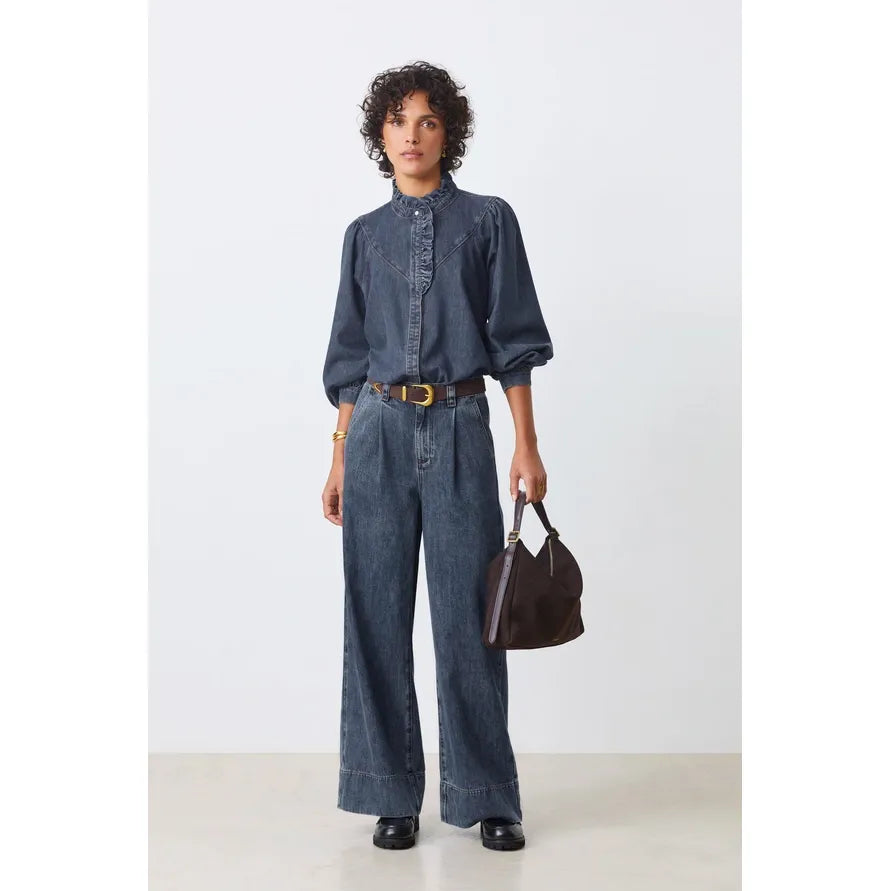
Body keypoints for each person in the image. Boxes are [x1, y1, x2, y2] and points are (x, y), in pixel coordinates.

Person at [321, 61, 554, 852]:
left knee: (468, 618)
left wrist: (525, 443)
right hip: (377, 432)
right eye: (396, 121)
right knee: (374, 615)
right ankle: (389, 793)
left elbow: (513, 342)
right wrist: (339, 456)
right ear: (378, 135)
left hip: (459, 426)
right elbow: (350, 357)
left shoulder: (488, 221)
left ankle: (486, 794)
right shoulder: (363, 236)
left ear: (447, 132)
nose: (410, 135)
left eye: (426, 120)